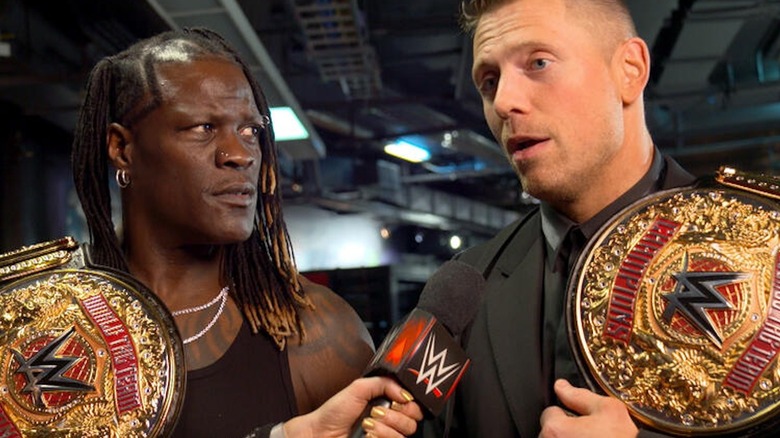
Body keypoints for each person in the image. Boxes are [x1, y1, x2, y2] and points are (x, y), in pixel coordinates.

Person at [70, 27, 421, 437]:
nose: (240, 154)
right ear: (122, 148)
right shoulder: (42, 317)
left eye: (251, 130)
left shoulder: (316, 332)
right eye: (203, 127)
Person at [426, 0, 696, 437]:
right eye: (489, 81)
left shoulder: (764, 254)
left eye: (538, 62)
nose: (504, 103)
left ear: (630, 70)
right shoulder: (462, 291)